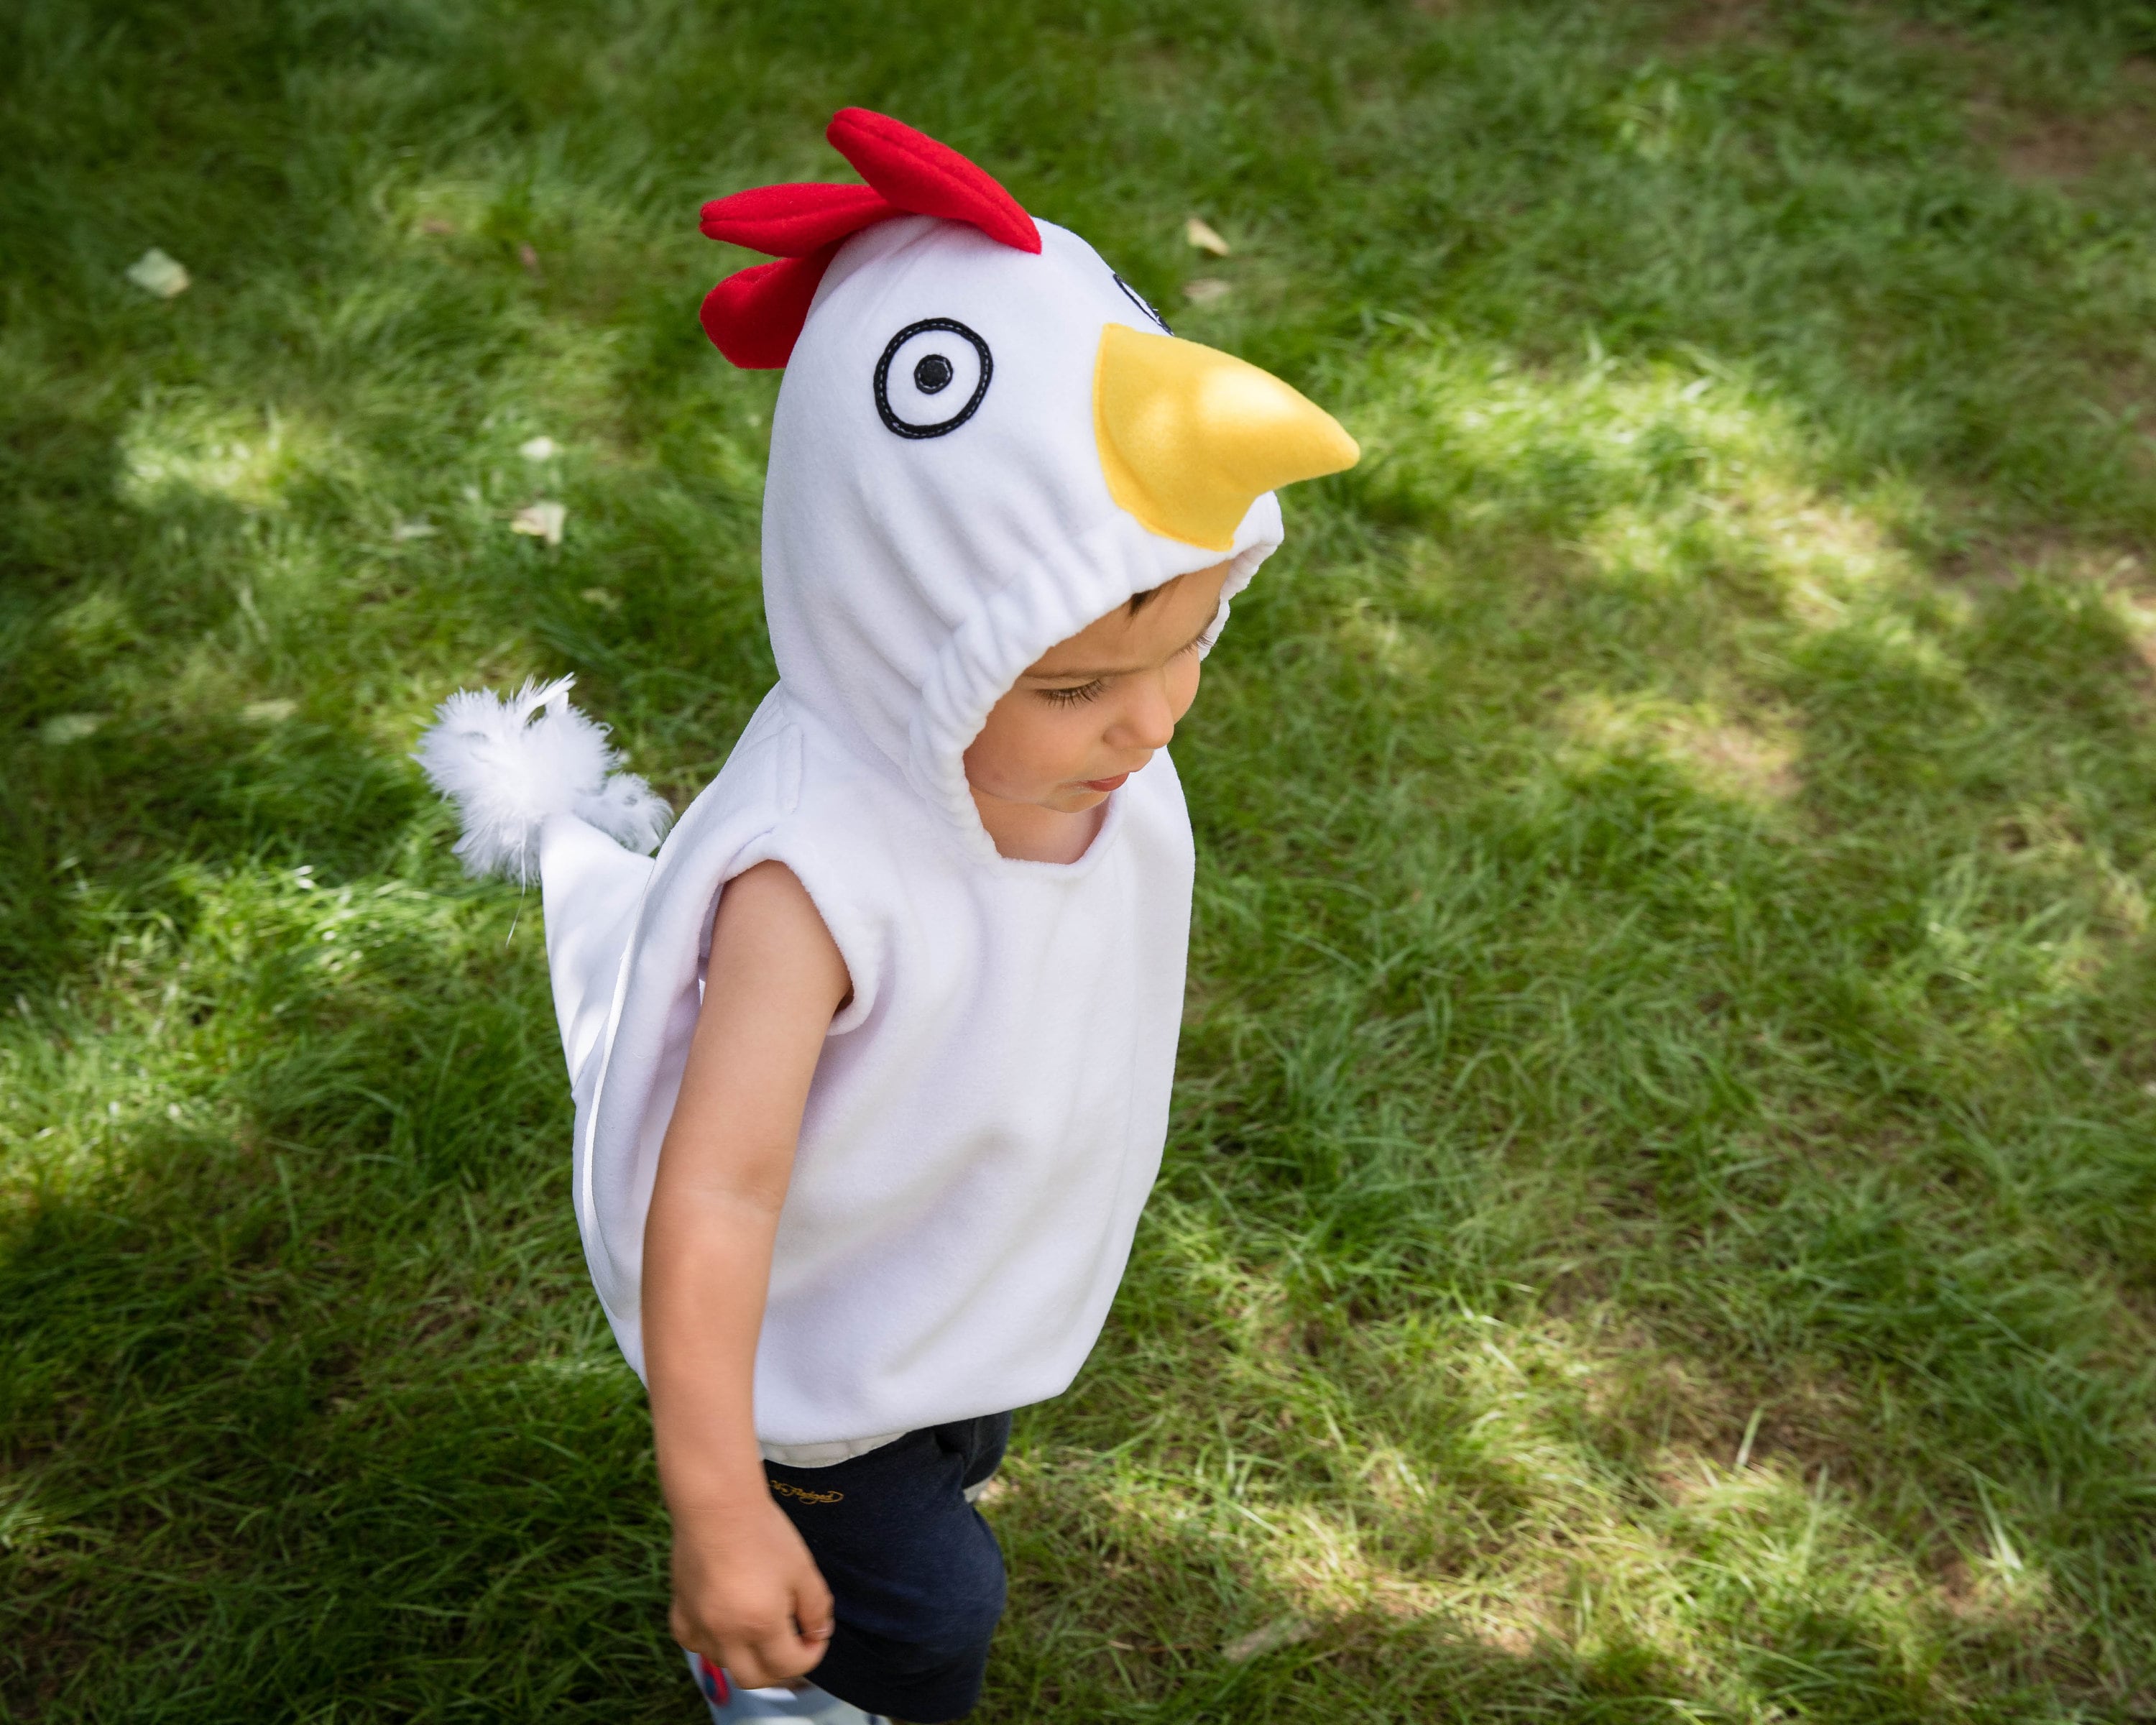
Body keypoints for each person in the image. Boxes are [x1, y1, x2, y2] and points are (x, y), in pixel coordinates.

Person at [416, 109, 1356, 1724]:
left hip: (948, 1286)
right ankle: (772, 1676)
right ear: (903, 626)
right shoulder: (811, 883)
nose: (1151, 724)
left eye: (1194, 637)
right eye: (1073, 684)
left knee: (960, 1452)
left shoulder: (1089, 774)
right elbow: (717, 1193)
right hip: (810, 1368)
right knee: (928, 1616)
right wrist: (720, 1505)